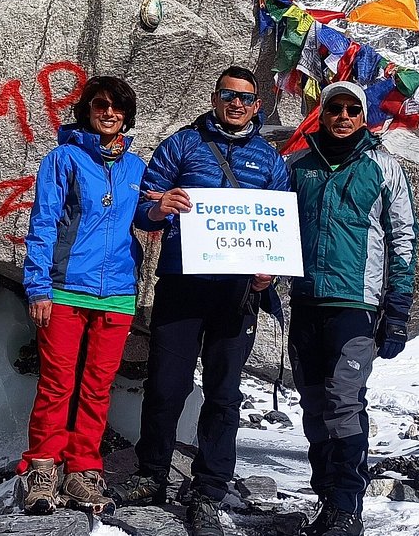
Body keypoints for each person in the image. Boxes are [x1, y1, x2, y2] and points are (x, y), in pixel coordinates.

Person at [114, 65, 290, 536]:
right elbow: (142, 211)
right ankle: (150, 475)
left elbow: (280, 229)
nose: (236, 104)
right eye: (228, 95)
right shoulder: (182, 144)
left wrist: (267, 271)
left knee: (225, 393)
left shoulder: (270, 160)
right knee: (166, 385)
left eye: (246, 99)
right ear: (214, 98)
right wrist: (156, 208)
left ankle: (210, 486)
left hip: (237, 293)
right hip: (182, 282)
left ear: (257, 106)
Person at [286, 81, 419, 536]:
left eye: (352, 109)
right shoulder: (297, 166)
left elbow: (404, 239)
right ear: (322, 114)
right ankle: (326, 500)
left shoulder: (383, 168)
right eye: (335, 108)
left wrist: (397, 310)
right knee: (312, 402)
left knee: (343, 402)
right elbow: (271, 226)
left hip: (356, 305)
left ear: (363, 116)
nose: (343, 116)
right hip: (305, 300)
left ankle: (347, 507)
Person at [19, 75, 147, 515]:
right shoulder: (64, 158)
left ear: (126, 114)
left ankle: (83, 471)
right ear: (87, 111)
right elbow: (43, 224)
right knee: (57, 384)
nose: (108, 112)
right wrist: (38, 286)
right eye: (100, 105)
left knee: (97, 388)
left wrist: (167, 208)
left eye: (116, 107)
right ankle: (41, 469)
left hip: (117, 293)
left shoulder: (136, 167)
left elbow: (146, 217)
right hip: (66, 290)